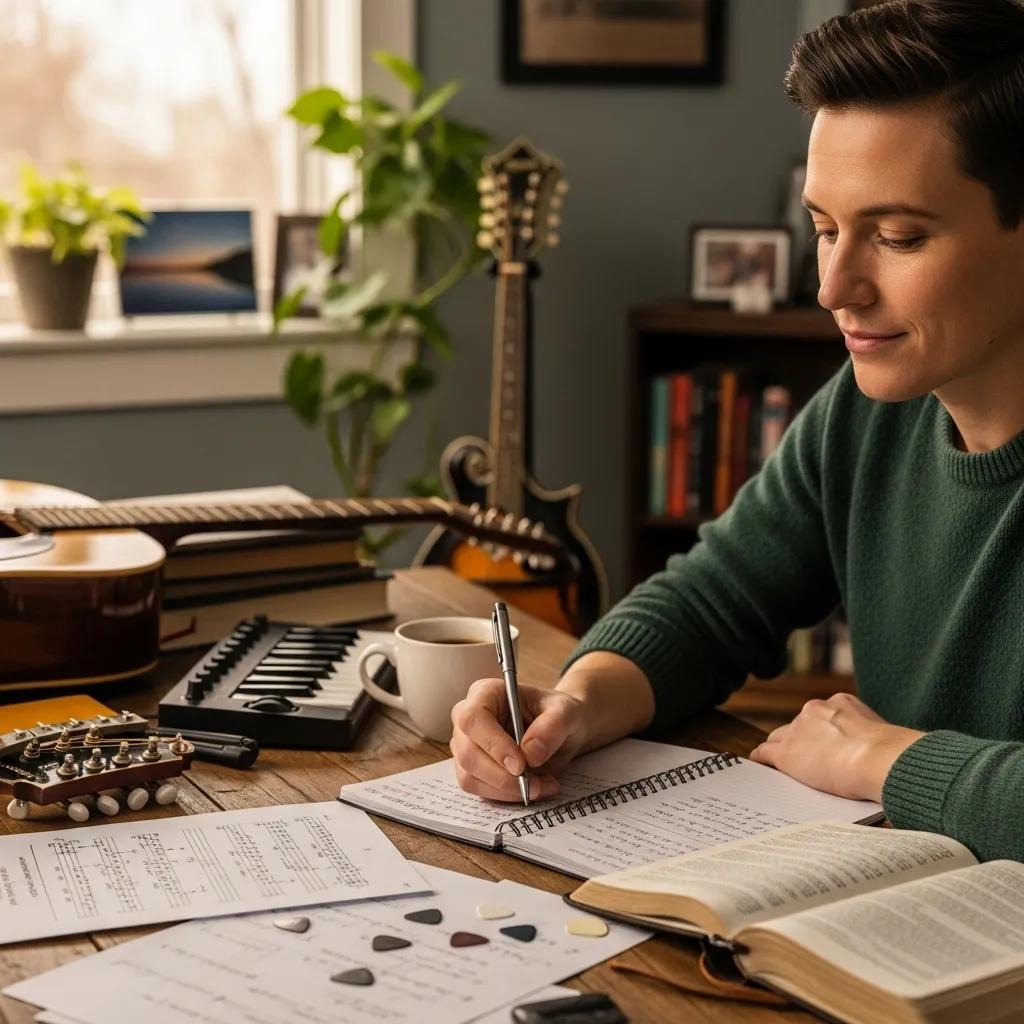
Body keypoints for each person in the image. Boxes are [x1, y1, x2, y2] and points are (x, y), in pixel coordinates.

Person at [449, 0, 1024, 863]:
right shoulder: (868, 412)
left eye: (898, 237)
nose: (835, 287)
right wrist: (574, 705)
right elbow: (715, 601)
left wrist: (887, 758)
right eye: (825, 228)